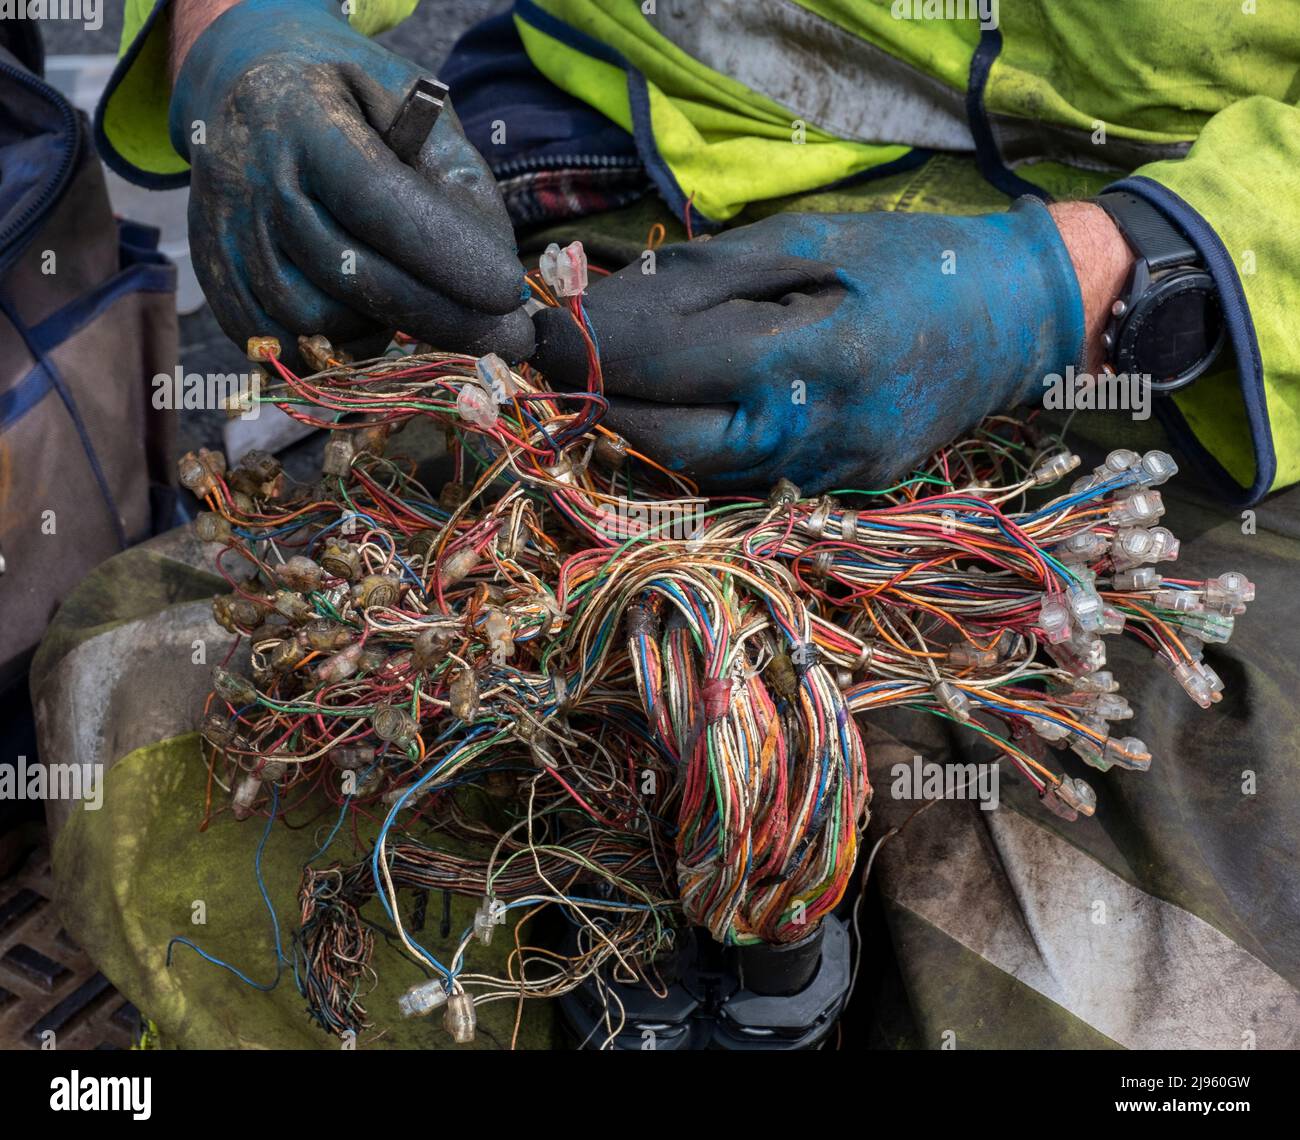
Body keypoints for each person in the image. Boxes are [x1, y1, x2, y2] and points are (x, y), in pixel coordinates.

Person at [48, 0, 1295, 1047]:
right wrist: (245, 42)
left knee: (1145, 991)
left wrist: (1105, 279)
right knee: (161, 718)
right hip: (622, 251)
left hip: (1186, 354)